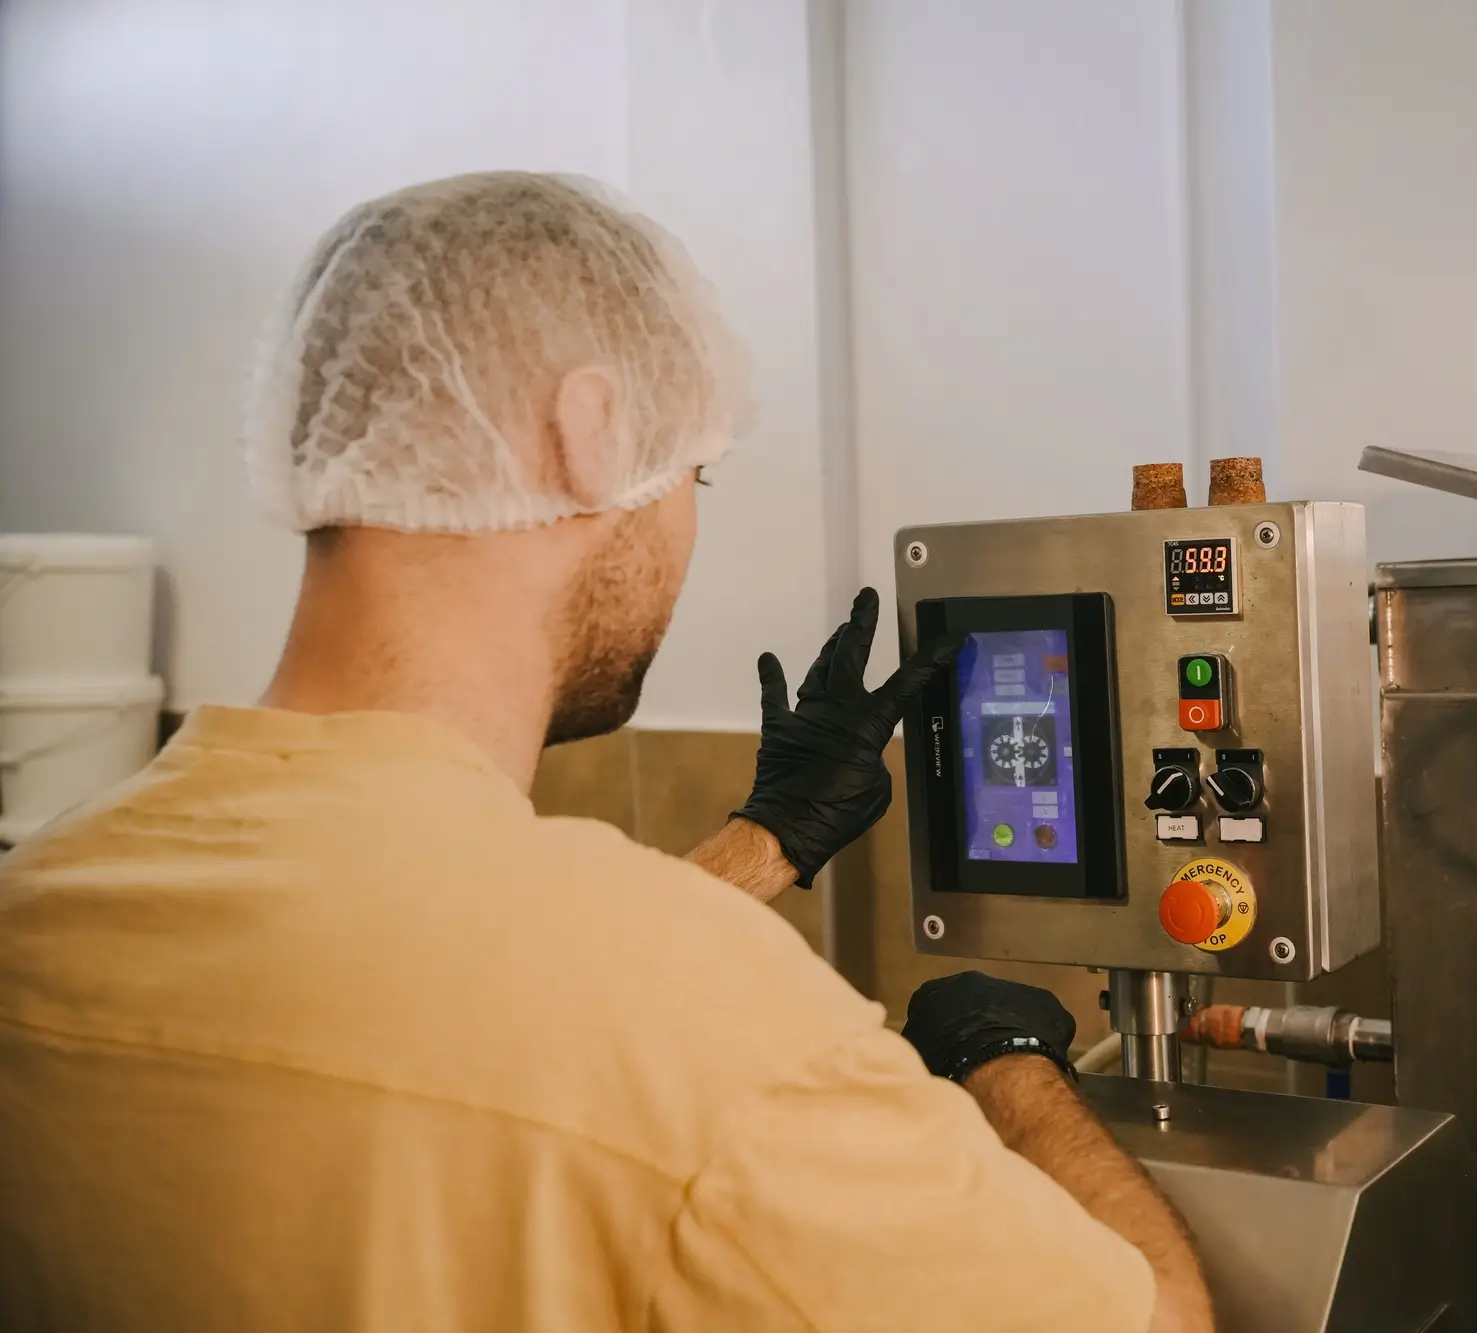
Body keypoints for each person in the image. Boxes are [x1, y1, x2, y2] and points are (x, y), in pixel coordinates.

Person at [0, 172, 1210, 1332]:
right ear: (591, 432)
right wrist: (1005, 1060)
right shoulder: (720, 1029)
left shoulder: (43, 903)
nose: (686, 519)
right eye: (695, 469)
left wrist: (765, 841)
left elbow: (424, 986)